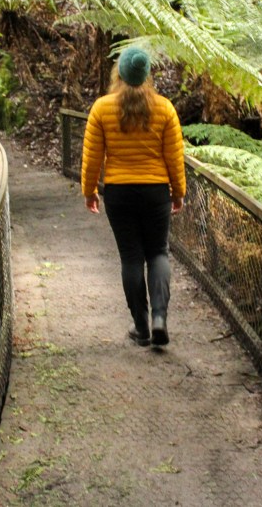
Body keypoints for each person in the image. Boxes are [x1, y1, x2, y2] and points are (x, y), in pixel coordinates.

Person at [81, 47, 186, 347]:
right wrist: (177, 192)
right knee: (158, 253)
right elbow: (174, 158)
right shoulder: (165, 109)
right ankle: (160, 320)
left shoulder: (102, 109)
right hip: (156, 192)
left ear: (119, 74)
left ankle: (141, 326)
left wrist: (89, 191)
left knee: (131, 257)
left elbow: (92, 158)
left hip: (119, 192)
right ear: (147, 76)